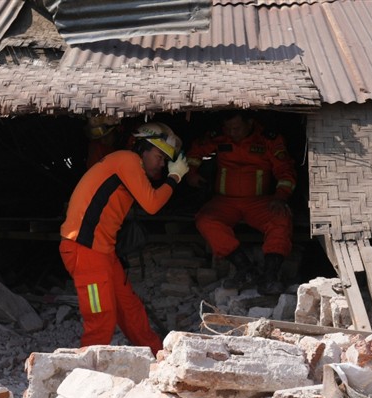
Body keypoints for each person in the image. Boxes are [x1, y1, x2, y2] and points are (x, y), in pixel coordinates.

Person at [59, 122, 189, 356]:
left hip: (102, 252)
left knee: (130, 309)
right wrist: (174, 178)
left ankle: (157, 357)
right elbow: (151, 204)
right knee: (101, 318)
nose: (162, 163)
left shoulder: (127, 165)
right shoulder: (127, 160)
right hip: (84, 250)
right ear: (144, 149)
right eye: (160, 156)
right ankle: (86, 376)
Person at [183, 111, 296, 295]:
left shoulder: (269, 140)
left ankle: (270, 276)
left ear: (250, 123)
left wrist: (281, 196)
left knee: (282, 219)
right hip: (224, 202)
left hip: (260, 202)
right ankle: (245, 269)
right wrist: (191, 173)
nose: (232, 133)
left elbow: (286, 170)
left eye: (236, 128)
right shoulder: (219, 137)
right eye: (228, 128)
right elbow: (195, 152)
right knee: (205, 220)